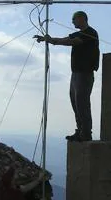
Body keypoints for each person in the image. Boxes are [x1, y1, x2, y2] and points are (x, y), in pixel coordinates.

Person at [34, 10, 100, 141]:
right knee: (75, 102)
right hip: (76, 73)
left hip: (85, 74)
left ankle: (86, 133)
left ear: (82, 18)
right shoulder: (80, 33)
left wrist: (51, 40)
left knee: (82, 103)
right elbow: (66, 39)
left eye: (74, 19)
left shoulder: (90, 33)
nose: (72, 21)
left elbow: (72, 42)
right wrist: (48, 40)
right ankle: (80, 130)